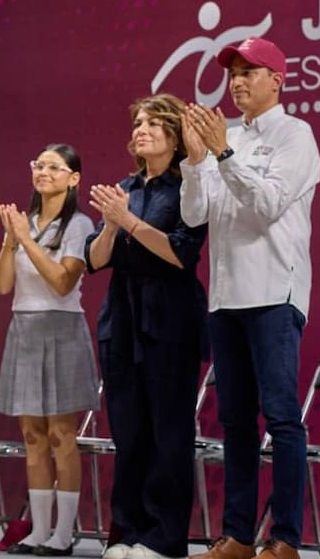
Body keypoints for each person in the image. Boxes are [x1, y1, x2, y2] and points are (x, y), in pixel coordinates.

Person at [182, 38, 320, 559]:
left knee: (282, 416)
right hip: (225, 295)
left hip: (273, 292)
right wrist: (198, 162)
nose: (237, 81)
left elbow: (267, 205)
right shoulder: (229, 136)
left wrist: (220, 154)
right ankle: (239, 535)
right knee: (235, 421)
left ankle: (285, 538)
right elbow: (196, 216)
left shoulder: (295, 135)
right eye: (233, 73)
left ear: (276, 80)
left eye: (249, 71)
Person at [85, 94, 209, 559]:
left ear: (175, 137)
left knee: (168, 432)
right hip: (121, 319)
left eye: (155, 123)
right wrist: (113, 226)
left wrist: (128, 221)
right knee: (129, 432)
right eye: (138, 122)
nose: (142, 129)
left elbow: (181, 253)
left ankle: (164, 537)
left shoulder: (188, 189)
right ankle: (127, 530)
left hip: (168, 318)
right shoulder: (125, 186)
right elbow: (96, 260)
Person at [0, 143, 97, 556]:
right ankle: (38, 531)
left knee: (61, 433)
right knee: (32, 435)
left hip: (62, 326)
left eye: (55, 167)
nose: (44, 172)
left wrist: (26, 241)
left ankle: (63, 533)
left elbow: (62, 282)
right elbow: (2, 285)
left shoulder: (78, 224)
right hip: (25, 327)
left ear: (73, 178)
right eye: (39, 165)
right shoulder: (24, 221)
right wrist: (9, 241)